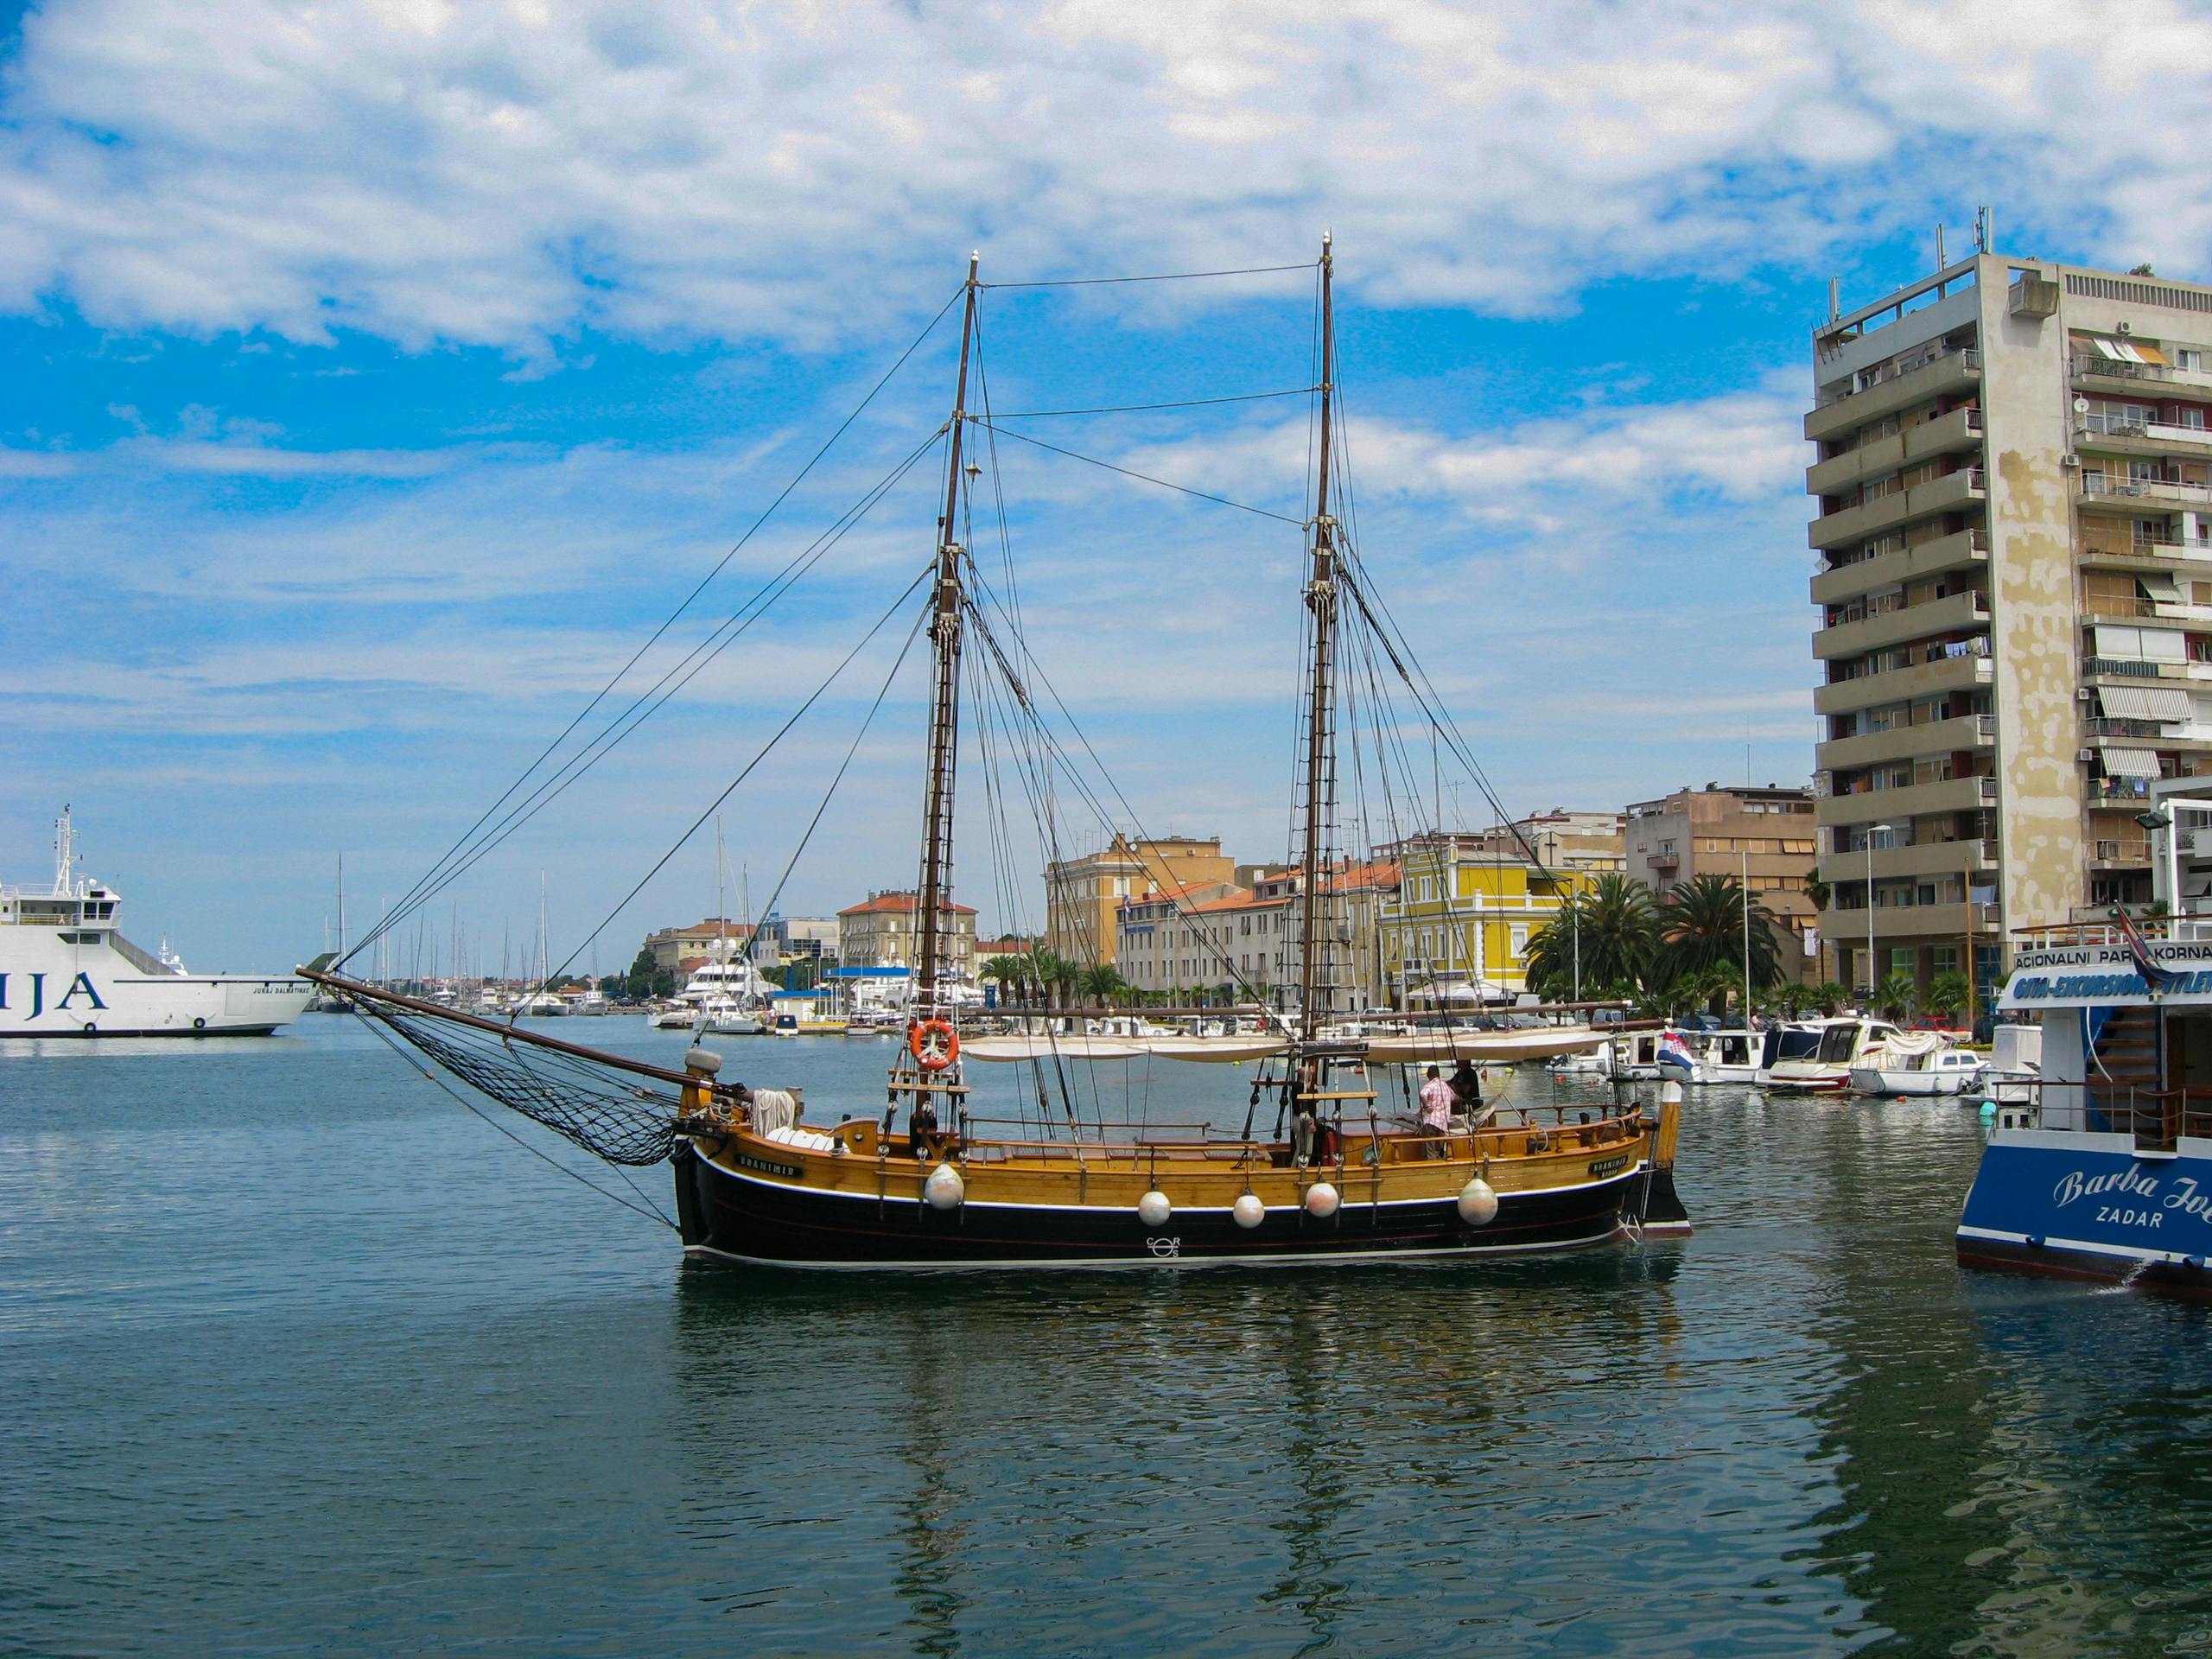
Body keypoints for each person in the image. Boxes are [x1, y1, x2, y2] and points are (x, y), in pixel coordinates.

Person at [1418, 1064, 1454, 1158]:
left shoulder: (1431, 1085)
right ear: (1438, 1074)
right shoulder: (1446, 1086)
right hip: (1442, 1123)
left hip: (1431, 1121)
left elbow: (1423, 1094)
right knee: (1438, 1150)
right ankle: (1438, 1163)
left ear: (1429, 1075)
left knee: (1430, 1150)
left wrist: (1426, 1106)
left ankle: (1431, 1164)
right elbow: (1454, 1097)